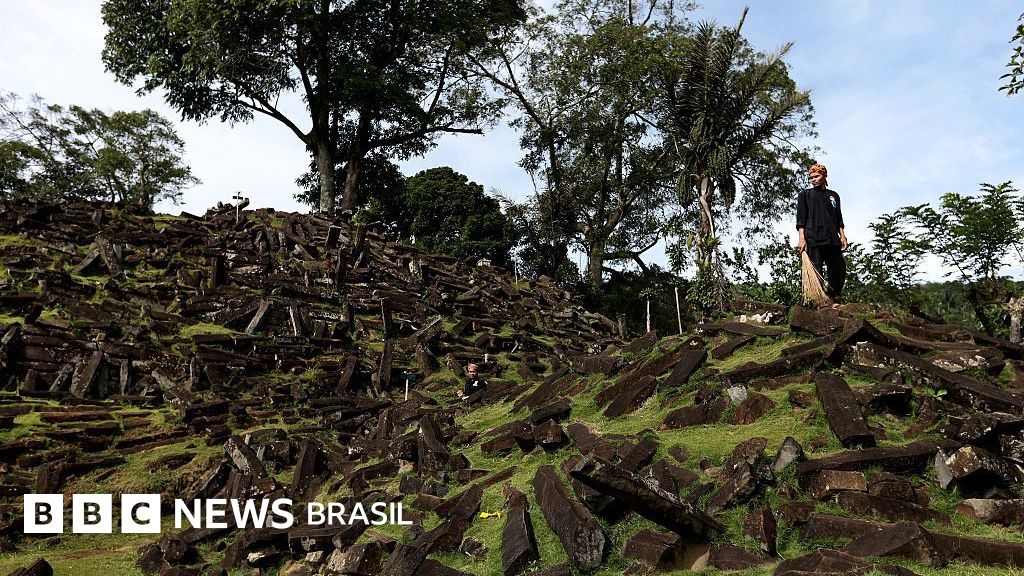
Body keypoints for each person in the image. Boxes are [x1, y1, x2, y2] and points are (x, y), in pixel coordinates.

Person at [796, 163, 847, 302]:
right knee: (816, 269)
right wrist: (802, 238)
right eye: (810, 177)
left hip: (832, 238)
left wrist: (842, 235)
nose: (813, 179)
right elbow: (801, 219)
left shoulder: (833, 196)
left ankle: (832, 298)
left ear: (824, 176)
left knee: (838, 268)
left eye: (816, 176)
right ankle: (819, 301)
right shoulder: (805, 195)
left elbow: (838, 217)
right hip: (813, 238)